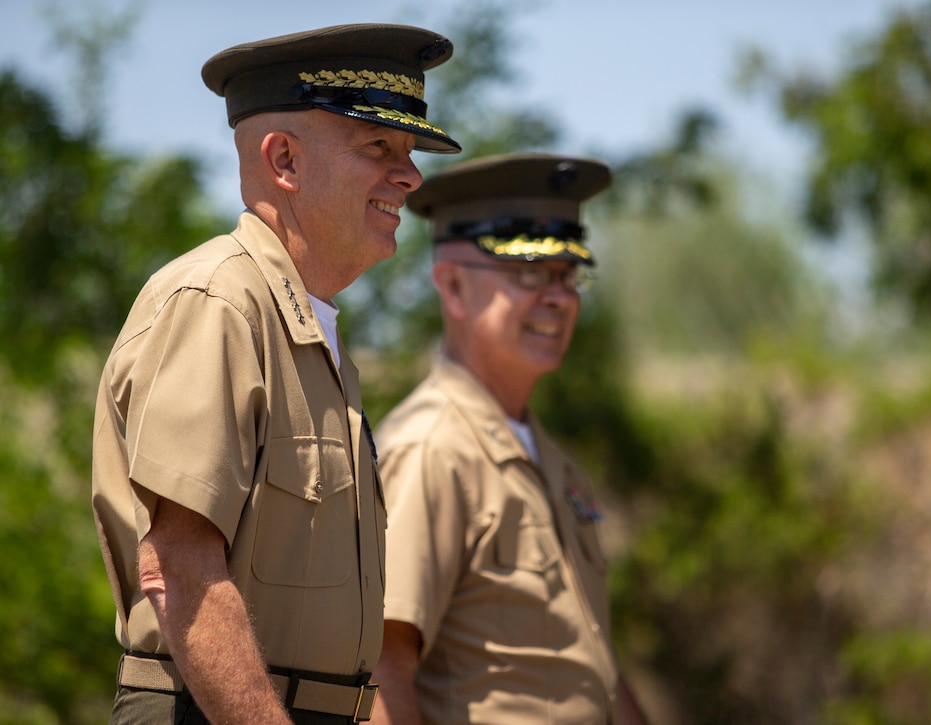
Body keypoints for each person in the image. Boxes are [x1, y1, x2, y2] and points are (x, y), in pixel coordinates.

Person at [91, 23, 460, 724]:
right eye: (378, 146)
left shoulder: (309, 333)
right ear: (284, 159)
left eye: (410, 153)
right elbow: (178, 571)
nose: (409, 176)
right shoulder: (219, 302)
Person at [371, 152, 650, 724]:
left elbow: (590, 668)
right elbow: (379, 667)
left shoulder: (554, 462)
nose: (558, 297)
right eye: (528, 272)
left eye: (569, 275)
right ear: (452, 287)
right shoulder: (431, 449)